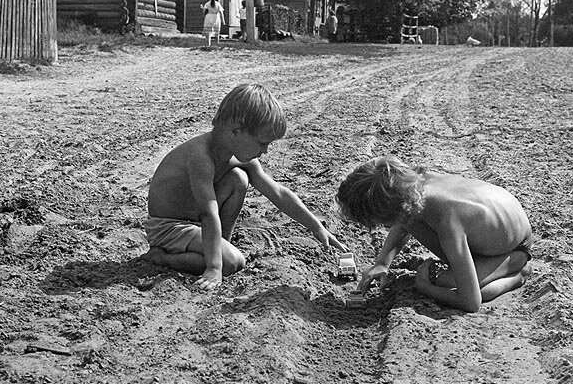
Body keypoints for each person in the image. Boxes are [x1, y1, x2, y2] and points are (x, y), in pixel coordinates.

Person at [144, 84, 347, 290]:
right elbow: (208, 213)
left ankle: (220, 244)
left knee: (238, 178)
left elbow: (277, 193)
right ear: (236, 131)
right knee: (233, 262)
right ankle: (163, 257)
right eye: (261, 143)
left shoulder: (237, 158)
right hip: (169, 227)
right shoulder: (201, 158)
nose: (266, 151)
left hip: (196, 223)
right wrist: (215, 267)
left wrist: (316, 226)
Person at [335, 156, 532, 313]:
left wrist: (424, 286)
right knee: (410, 219)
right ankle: (495, 264)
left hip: (514, 246)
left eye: (381, 222)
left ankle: (516, 270)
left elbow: (471, 303)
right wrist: (382, 263)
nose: (383, 226)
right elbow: (404, 219)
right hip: (497, 224)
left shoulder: (448, 221)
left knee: (447, 283)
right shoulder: (416, 185)